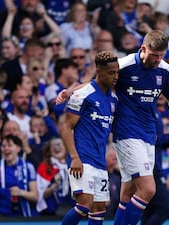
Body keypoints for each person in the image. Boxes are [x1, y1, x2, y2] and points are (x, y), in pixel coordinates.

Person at [111, 30, 169, 225]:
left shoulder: (164, 70)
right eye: (154, 55)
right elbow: (96, 85)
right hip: (126, 132)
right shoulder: (124, 66)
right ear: (143, 48)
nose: (158, 60)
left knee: (129, 191)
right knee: (148, 189)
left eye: (162, 55)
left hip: (149, 134)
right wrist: (73, 91)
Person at [60, 51, 119, 225]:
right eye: (111, 73)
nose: (115, 77)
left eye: (117, 72)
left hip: (100, 161)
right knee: (84, 205)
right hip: (82, 158)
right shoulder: (83, 94)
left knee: (99, 209)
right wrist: (74, 157)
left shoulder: (113, 100)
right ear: (99, 72)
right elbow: (65, 127)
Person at [0, 135, 39, 217]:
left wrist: (21, 192)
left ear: (18, 148)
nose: (6, 148)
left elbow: (35, 196)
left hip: (22, 215)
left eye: (10, 145)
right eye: (3, 146)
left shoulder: (28, 167)